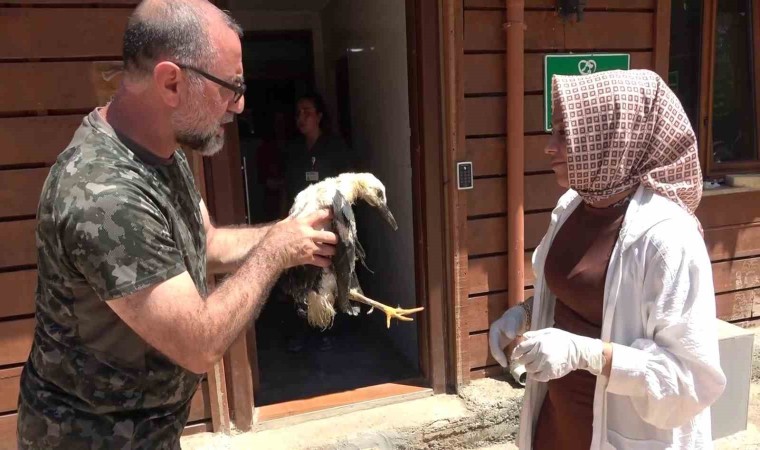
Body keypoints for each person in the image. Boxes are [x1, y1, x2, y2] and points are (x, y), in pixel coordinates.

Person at [16, 1, 337, 449]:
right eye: (232, 86)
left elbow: (204, 243)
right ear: (171, 82)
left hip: (146, 432)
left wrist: (291, 232)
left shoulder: (162, 152)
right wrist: (276, 250)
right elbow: (199, 343)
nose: (239, 105)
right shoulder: (105, 195)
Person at [488, 69, 726, 449]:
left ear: (612, 139)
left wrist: (584, 352)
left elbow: (690, 379)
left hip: (623, 437)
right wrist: (526, 314)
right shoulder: (572, 206)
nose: (550, 147)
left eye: (566, 134)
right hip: (557, 424)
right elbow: (580, 295)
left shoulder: (667, 237)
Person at [282, 92, 357, 352]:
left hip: (331, 226)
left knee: (332, 275)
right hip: (301, 225)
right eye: (298, 113)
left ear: (320, 116)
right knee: (303, 277)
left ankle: (334, 331)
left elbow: (347, 189)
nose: (301, 118)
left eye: (307, 112)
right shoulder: (294, 150)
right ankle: (304, 331)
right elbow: (287, 188)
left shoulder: (335, 148)